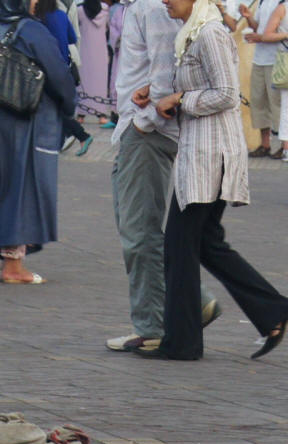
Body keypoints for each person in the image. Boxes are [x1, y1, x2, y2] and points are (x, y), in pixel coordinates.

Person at [136, 0, 288, 360]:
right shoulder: (191, 34)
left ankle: (183, 343)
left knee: (179, 247)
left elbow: (225, 94)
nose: (165, 1)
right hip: (201, 153)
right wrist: (159, 95)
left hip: (211, 156)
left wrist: (179, 99)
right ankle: (272, 311)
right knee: (204, 243)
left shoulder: (211, 34)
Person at [105, 0, 219, 353]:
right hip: (140, 127)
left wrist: (145, 122)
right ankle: (189, 301)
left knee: (139, 230)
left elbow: (168, 66)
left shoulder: (153, 6)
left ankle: (153, 324)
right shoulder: (144, 5)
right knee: (134, 224)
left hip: (148, 131)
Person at [0, 0, 75, 284]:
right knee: (24, 187)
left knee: (10, 189)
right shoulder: (32, 31)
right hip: (24, 120)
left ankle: (14, 256)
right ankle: (12, 265)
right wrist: (69, 105)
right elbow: (58, 74)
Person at [34, 0, 92, 154]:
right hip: (63, 66)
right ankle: (68, 137)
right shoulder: (61, 14)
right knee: (55, 103)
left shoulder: (38, 18)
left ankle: (80, 134)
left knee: (49, 104)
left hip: (47, 66)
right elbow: (72, 38)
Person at [242, 0, 283, 157]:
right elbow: (257, 26)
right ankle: (264, 144)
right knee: (259, 103)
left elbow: (279, 32)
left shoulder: (283, 3)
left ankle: (282, 144)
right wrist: (248, 17)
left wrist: (261, 37)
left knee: (277, 105)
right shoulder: (263, 1)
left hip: (277, 59)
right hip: (259, 59)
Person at [259, 0, 288, 160]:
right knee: (286, 106)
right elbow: (267, 34)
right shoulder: (283, 8)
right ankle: (286, 148)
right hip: (286, 62)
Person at [76, 0, 111, 125]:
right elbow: (108, 28)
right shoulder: (105, 9)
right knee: (100, 81)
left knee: (84, 81)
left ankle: (80, 114)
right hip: (100, 50)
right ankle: (101, 114)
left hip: (84, 50)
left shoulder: (79, 10)